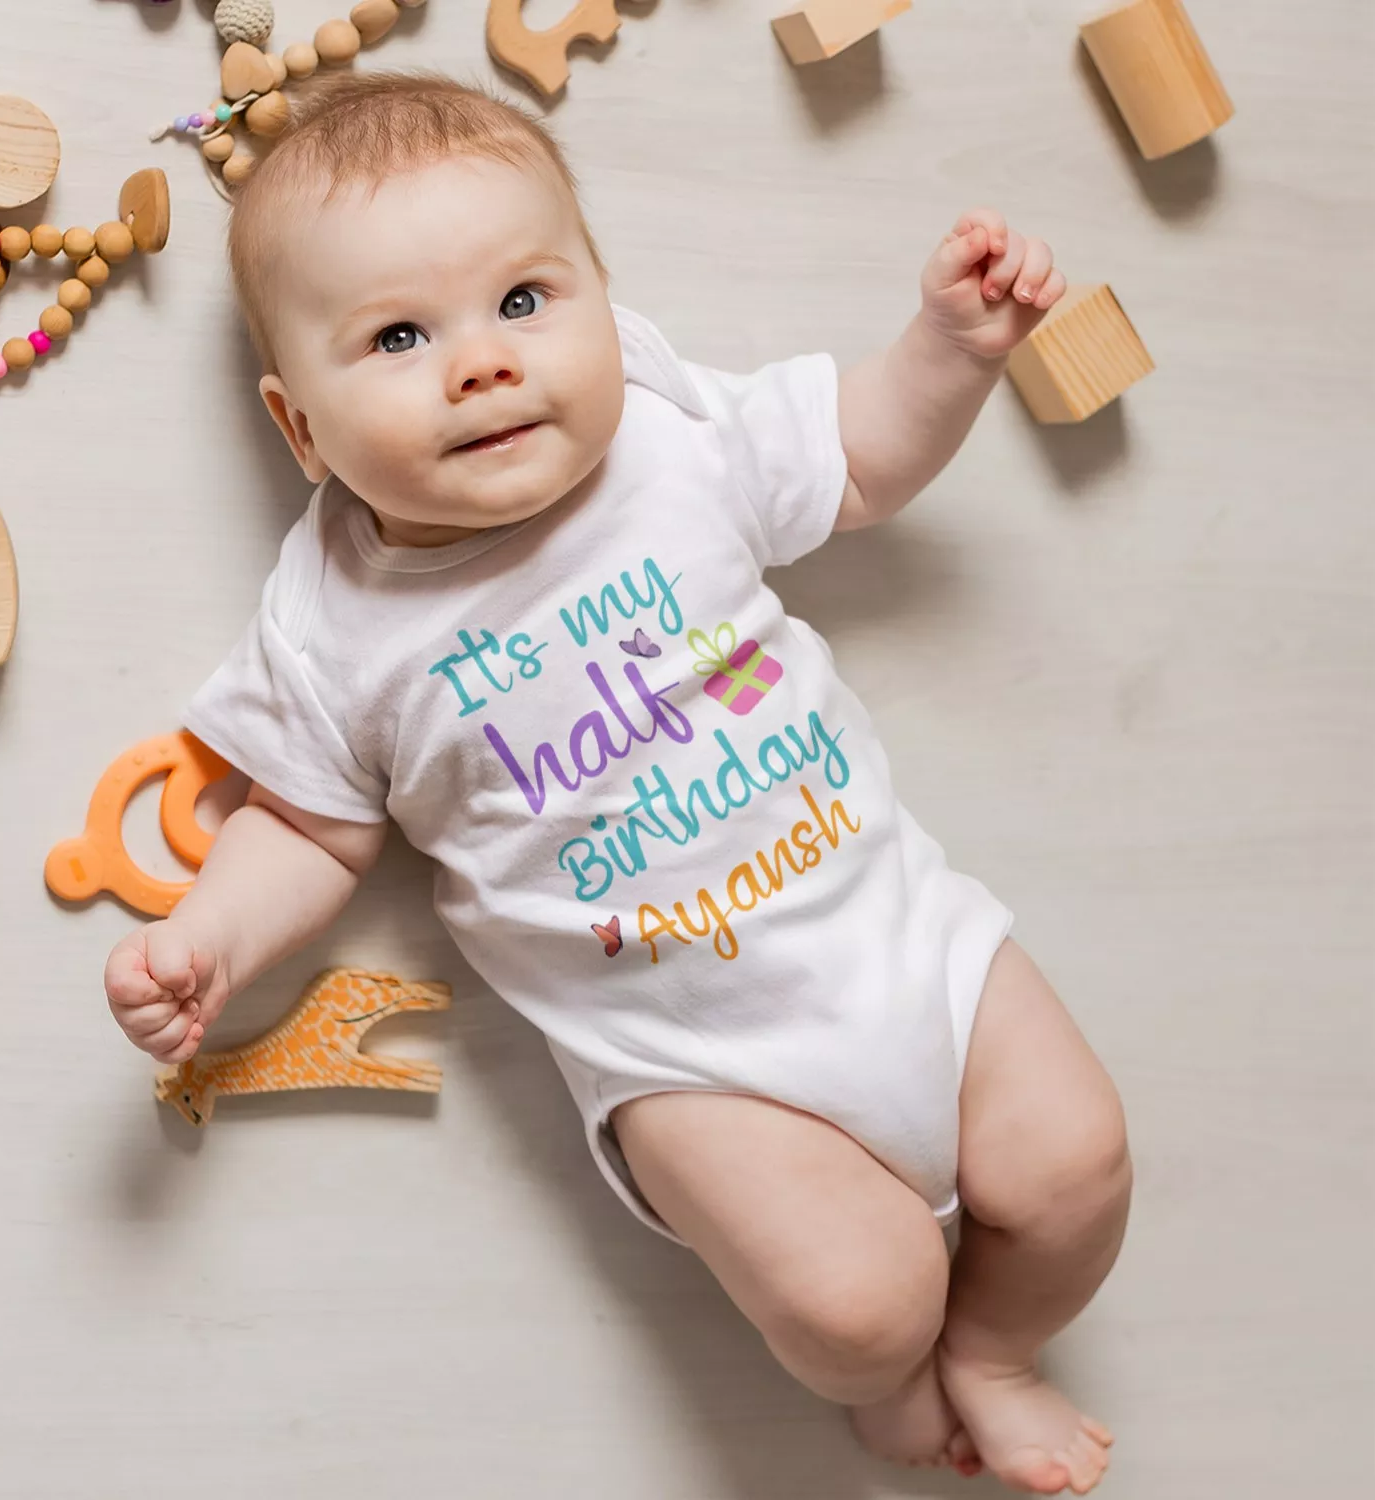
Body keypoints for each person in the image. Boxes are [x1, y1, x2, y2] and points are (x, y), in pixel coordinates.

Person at [105, 74, 1130, 1494]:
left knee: (1078, 1166)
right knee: (853, 1305)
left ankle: (999, 1350)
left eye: (526, 301)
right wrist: (208, 940)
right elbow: (309, 828)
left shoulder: (668, 436)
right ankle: (896, 1368)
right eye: (400, 336)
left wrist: (950, 350)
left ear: (602, 296)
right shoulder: (335, 618)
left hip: (904, 944)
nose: (481, 363)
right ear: (300, 431)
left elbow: (861, 461)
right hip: (695, 1065)